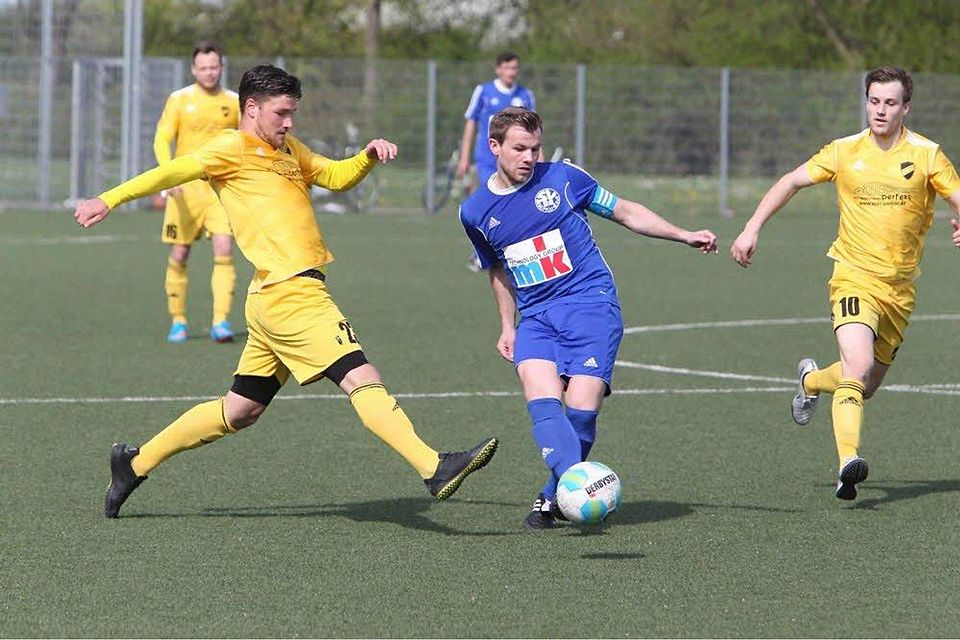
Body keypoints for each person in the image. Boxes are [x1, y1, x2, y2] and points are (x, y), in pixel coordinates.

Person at [74, 64, 498, 518]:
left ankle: (134, 464)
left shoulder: (289, 148)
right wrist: (108, 199)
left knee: (239, 411)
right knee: (360, 376)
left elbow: (334, 176)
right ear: (251, 108)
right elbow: (169, 173)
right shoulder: (229, 148)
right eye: (281, 112)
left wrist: (368, 156)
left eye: (292, 112)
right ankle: (433, 465)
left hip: (271, 297)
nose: (289, 122)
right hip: (293, 295)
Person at [458, 107, 717, 529]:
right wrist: (507, 325)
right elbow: (499, 271)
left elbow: (626, 211)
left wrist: (683, 234)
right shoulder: (474, 213)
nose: (529, 157)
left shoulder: (562, 178)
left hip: (590, 305)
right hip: (536, 318)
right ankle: (576, 488)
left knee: (580, 409)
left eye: (535, 148)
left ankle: (552, 497)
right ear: (495, 148)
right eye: (519, 149)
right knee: (543, 405)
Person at [730, 66, 960, 501]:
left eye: (890, 103)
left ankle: (811, 382)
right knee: (857, 368)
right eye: (874, 101)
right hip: (853, 276)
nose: (880, 110)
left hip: (900, 289)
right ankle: (847, 464)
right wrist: (751, 227)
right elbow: (791, 181)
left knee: (866, 385)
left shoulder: (928, 155)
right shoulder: (843, 151)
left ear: (905, 107)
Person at [154, 42, 239, 344]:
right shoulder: (180, 100)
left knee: (224, 250)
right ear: (194, 69)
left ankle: (221, 321)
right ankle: (178, 321)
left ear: (221, 67)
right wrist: (167, 174)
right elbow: (162, 139)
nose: (209, 72)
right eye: (203, 67)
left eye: (214, 67)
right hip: (184, 191)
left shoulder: (235, 102)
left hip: (219, 190)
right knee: (180, 253)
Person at [457, 52, 538, 272]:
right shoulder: (484, 91)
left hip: (516, 161)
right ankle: (482, 253)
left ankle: (514, 250)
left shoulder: (525, 96)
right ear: (498, 69)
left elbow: (534, 134)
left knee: (519, 202)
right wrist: (464, 157)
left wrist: (540, 160)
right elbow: (471, 123)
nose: (512, 72)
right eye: (508, 68)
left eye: (515, 68)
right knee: (492, 201)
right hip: (487, 160)